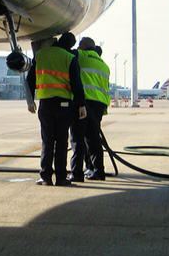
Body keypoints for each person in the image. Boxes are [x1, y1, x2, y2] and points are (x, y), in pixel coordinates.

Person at [26, 33, 86, 186]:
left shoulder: (40, 55)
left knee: (47, 140)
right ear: (71, 45)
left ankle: (45, 176)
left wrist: (30, 101)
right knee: (61, 141)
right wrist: (81, 104)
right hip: (64, 105)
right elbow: (77, 84)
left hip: (45, 104)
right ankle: (60, 177)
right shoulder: (69, 57)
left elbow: (30, 79)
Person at [69, 37, 110, 182]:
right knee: (93, 138)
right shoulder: (104, 64)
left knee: (77, 138)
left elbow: (65, 53)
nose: (78, 47)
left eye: (80, 45)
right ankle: (98, 171)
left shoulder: (81, 55)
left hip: (84, 102)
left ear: (85, 45)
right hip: (99, 105)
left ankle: (77, 173)